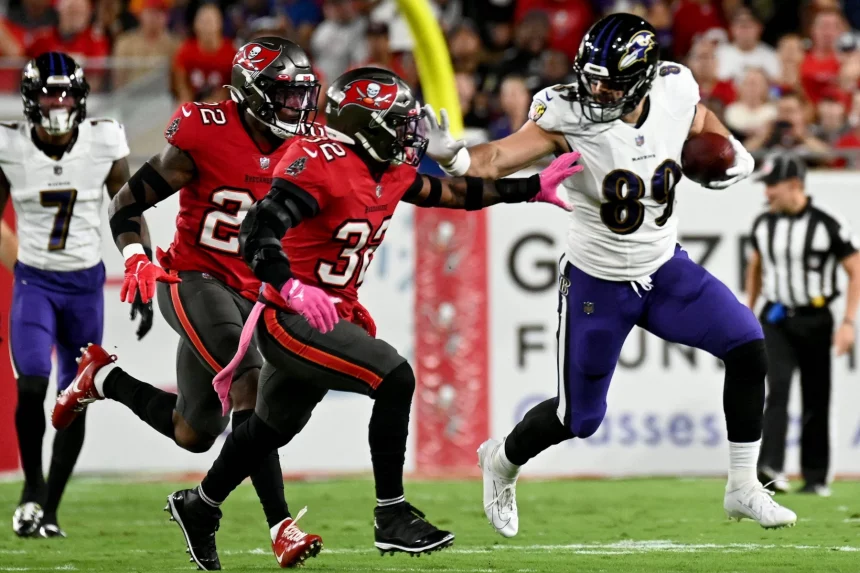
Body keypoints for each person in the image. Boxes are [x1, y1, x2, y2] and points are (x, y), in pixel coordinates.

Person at [155, 66, 578, 566]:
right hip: (293, 316)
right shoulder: (321, 163)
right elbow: (258, 228)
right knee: (394, 376)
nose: (407, 134)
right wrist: (287, 283)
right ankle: (391, 515)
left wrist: (530, 188)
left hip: (335, 312)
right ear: (364, 125)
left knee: (271, 429)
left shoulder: (388, 167)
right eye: (396, 123)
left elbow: (454, 195)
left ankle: (199, 506)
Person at [422, 13, 798, 534]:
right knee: (577, 419)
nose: (595, 90)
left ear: (643, 79)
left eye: (609, 81)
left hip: (665, 268)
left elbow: (702, 123)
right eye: (591, 77)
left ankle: (743, 486)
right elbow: (499, 159)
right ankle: (501, 461)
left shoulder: (673, 89)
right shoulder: (567, 113)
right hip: (599, 280)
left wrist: (733, 154)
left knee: (748, 344)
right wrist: (459, 160)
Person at [52, 37, 324, 570]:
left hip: (255, 292)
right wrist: (135, 257)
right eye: (285, 95)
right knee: (249, 380)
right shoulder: (206, 130)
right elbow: (127, 202)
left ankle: (102, 379)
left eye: (301, 96)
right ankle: (281, 527)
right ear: (253, 94)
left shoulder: (310, 142)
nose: (297, 107)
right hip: (192, 277)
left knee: (194, 433)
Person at [0, 52, 151, 538]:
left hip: (85, 286)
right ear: (30, 98)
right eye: (48, 92)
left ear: (81, 97)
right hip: (36, 282)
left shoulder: (105, 138)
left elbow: (128, 209)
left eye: (65, 92)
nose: (57, 102)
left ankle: (51, 508)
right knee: (30, 385)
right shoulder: (10, 145)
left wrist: (139, 266)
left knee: (77, 395)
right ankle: (31, 490)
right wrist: (21, 265)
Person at [746, 151, 860, 496]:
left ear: (794, 185)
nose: (766, 193)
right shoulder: (764, 223)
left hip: (815, 316)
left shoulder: (828, 223)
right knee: (776, 387)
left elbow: (855, 271)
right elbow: (756, 265)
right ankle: (770, 468)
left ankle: (814, 476)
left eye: (772, 186)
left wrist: (848, 323)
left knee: (816, 395)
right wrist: (747, 312)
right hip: (776, 317)